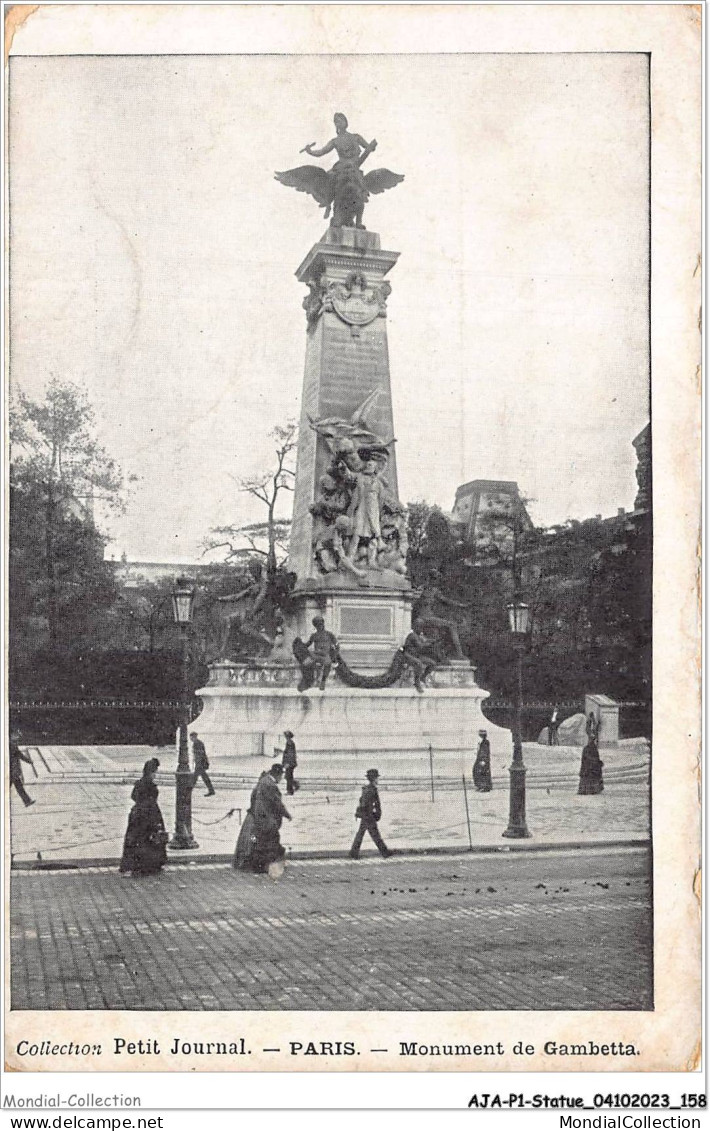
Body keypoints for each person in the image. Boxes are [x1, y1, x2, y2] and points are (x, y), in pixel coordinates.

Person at [119, 758, 168, 876]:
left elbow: (133, 796)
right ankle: (150, 865)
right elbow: (151, 800)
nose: (155, 774)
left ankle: (136, 865)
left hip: (138, 813)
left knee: (137, 839)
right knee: (150, 838)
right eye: (154, 772)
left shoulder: (139, 783)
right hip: (150, 813)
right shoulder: (150, 785)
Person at [251, 764, 292, 874]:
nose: (281, 778)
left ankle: (261, 865)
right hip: (267, 818)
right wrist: (287, 814)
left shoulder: (264, 781)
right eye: (281, 775)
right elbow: (277, 803)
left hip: (260, 817)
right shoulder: (271, 785)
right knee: (271, 841)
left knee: (263, 841)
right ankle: (264, 866)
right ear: (277, 774)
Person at [350, 769, 392, 859]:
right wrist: (376, 813)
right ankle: (385, 852)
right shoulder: (372, 790)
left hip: (366, 815)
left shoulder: (366, 789)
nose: (378, 780)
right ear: (374, 779)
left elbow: (362, 801)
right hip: (369, 816)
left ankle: (353, 852)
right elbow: (373, 803)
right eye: (377, 778)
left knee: (361, 834)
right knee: (375, 835)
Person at [401, 621, 439, 692]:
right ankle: (417, 682)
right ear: (416, 627)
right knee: (418, 663)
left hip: (416, 656)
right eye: (420, 627)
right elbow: (420, 646)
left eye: (422, 627)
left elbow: (424, 641)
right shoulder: (412, 635)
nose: (421, 630)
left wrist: (431, 641)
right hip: (408, 656)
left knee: (432, 663)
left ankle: (423, 677)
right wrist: (430, 643)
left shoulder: (418, 635)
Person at [306, 616, 340, 691]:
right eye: (318, 625)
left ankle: (323, 681)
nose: (320, 626)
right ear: (315, 626)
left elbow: (337, 644)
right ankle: (314, 679)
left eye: (321, 624)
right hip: (316, 654)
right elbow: (307, 644)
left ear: (323, 624)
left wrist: (334, 654)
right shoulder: (314, 635)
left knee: (327, 663)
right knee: (308, 662)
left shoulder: (329, 634)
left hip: (325, 655)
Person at [9, 730, 35, 807]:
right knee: (17, 786)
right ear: (12, 735)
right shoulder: (12, 745)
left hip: (12, 770)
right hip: (11, 770)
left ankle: (27, 801)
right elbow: (19, 754)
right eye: (17, 736)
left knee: (18, 786)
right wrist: (29, 761)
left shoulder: (11, 744)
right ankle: (27, 801)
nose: (18, 738)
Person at [190, 731, 215, 796]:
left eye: (191, 737)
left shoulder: (197, 743)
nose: (190, 739)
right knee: (204, 777)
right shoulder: (198, 743)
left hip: (200, 763)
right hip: (200, 763)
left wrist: (198, 763)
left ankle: (189, 790)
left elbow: (200, 753)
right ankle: (211, 790)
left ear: (194, 737)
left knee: (195, 778)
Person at [281, 731, 298, 796]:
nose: (285, 737)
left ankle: (290, 791)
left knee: (288, 777)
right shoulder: (289, 742)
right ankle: (294, 785)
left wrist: (287, 763)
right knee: (288, 776)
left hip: (290, 763)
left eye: (286, 736)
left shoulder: (290, 743)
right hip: (290, 763)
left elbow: (290, 754)